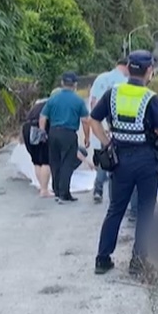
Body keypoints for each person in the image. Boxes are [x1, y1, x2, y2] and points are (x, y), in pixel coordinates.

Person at [88, 50, 158, 275]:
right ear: (149, 70)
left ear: (129, 68)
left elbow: (93, 119)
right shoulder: (150, 98)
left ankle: (102, 259)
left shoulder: (112, 93)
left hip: (119, 160)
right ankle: (138, 261)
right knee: (145, 210)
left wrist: (107, 142)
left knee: (115, 208)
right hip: (146, 161)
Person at [89, 59, 138, 218]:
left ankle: (98, 189)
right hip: (119, 128)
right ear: (127, 66)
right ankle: (129, 206)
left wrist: (99, 125)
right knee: (122, 165)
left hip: (101, 125)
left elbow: (93, 103)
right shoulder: (125, 83)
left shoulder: (101, 79)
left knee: (107, 158)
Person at [39, 72, 90, 203]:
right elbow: (85, 120)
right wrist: (87, 137)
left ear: (62, 83)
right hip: (68, 134)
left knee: (55, 162)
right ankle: (64, 193)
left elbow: (43, 116)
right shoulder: (78, 100)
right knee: (67, 162)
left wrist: (42, 131)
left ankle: (56, 190)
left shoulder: (53, 99)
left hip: (53, 132)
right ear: (75, 84)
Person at [21, 94, 55, 198]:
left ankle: (42, 187)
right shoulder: (51, 105)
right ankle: (44, 190)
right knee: (45, 160)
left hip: (27, 128)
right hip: (38, 127)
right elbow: (44, 119)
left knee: (36, 160)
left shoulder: (38, 104)